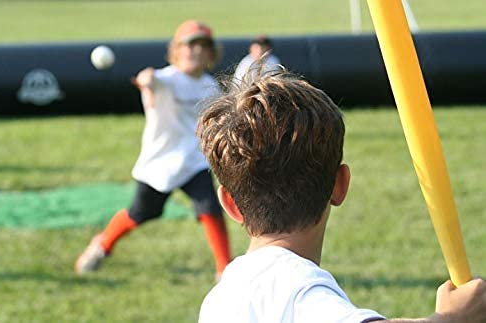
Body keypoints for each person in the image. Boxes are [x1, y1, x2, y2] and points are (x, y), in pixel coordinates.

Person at [196, 69, 486, 322]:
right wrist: (449, 319)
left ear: (230, 204)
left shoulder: (222, 295)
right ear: (340, 185)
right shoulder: (295, 285)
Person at [75, 20, 231, 279]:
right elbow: (149, 78)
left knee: (210, 207)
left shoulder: (210, 87)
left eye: (202, 46)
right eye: (189, 45)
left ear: (210, 54)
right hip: (161, 162)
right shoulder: (166, 78)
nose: (195, 51)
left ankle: (223, 268)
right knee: (140, 213)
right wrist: (147, 83)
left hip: (193, 159)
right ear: (177, 51)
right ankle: (101, 245)